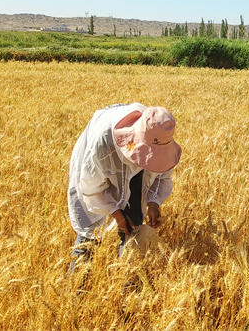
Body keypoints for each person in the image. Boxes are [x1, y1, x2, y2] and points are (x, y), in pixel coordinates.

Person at [67, 103, 181, 272]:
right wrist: (116, 214)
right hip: (99, 161)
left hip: (138, 146)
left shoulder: (161, 139)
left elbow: (161, 176)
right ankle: (76, 286)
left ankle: (127, 282)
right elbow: (91, 188)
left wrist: (154, 202)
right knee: (89, 228)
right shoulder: (102, 143)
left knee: (133, 223)